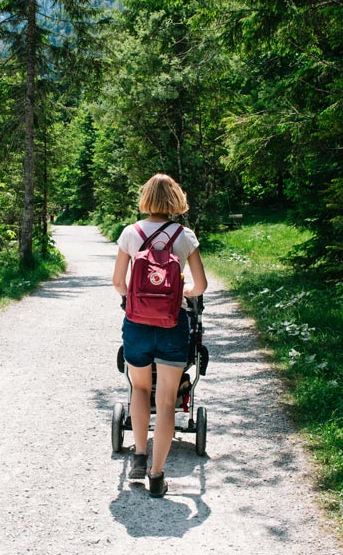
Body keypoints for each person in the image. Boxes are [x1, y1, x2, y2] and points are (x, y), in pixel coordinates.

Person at [112, 173, 207, 497]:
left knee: (139, 389)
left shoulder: (130, 233)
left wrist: (134, 301)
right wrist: (181, 294)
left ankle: (139, 455)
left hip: (137, 324)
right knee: (166, 402)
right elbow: (201, 286)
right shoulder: (185, 236)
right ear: (175, 199)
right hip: (172, 324)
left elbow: (118, 283)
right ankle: (156, 474)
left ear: (147, 198)